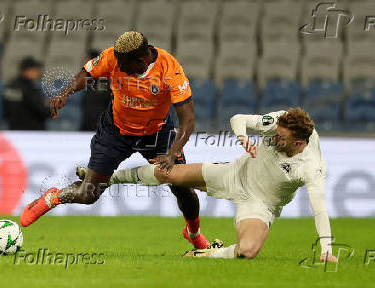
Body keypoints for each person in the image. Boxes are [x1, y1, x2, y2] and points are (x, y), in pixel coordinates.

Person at [20, 31, 209, 249]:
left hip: (156, 135)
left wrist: (172, 153)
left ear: (141, 60)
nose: (118, 68)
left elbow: (188, 123)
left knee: (183, 188)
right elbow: (87, 73)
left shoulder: (170, 70)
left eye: (123, 65)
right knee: (88, 194)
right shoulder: (114, 57)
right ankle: (52, 198)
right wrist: (64, 93)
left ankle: (193, 234)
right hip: (115, 132)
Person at [106, 108, 338, 262]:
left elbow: (319, 209)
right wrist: (243, 136)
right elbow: (239, 119)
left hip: (260, 203)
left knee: (247, 251)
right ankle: (108, 178)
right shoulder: (280, 122)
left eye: (281, 139)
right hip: (235, 173)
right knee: (170, 173)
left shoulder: (311, 166)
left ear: (298, 143)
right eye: (275, 133)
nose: (274, 138)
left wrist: (326, 250)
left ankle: (209, 253)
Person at [3, 57, 51, 130]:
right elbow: (45, 111)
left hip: (14, 130)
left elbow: (5, 111)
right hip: (31, 132)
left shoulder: (10, 86)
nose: (38, 72)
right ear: (27, 71)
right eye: (35, 69)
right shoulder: (28, 88)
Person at [81, 49, 112, 131]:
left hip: (100, 125)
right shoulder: (87, 80)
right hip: (87, 123)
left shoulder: (104, 80)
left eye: (87, 60)